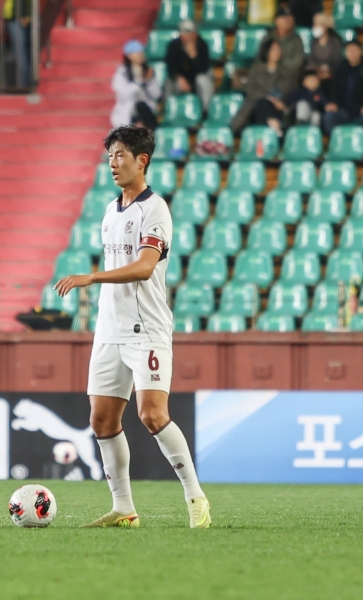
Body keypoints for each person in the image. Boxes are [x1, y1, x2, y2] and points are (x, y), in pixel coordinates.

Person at [54, 126, 211, 529]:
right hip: (109, 329)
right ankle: (123, 507)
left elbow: (144, 267)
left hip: (147, 328)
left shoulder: (155, 209)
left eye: (120, 155)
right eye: (109, 156)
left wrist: (92, 277)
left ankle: (195, 497)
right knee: (101, 420)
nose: (112, 163)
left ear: (142, 161)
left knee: (153, 415)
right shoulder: (111, 211)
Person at [230, 41, 298, 135]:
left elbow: (292, 91)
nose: (277, 52)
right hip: (256, 105)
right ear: (267, 52)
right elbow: (250, 90)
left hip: (278, 108)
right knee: (263, 104)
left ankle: (272, 131)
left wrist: (283, 103)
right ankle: (275, 130)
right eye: (274, 49)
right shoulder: (256, 70)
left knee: (264, 111)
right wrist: (270, 98)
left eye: (278, 49)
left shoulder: (286, 72)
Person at [323, 40, 363, 137]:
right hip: (343, 109)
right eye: (349, 51)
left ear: (361, 51)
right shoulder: (340, 67)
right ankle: (335, 142)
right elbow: (334, 88)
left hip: (361, 109)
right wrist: (333, 102)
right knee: (329, 116)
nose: (352, 53)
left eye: (354, 50)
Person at [110, 40, 161, 131]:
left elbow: (156, 94)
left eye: (141, 52)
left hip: (146, 112)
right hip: (128, 113)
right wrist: (138, 81)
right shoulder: (122, 73)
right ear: (129, 55)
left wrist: (149, 82)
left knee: (141, 106)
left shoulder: (148, 71)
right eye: (137, 53)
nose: (140, 55)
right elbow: (124, 95)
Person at [164, 19, 214, 112]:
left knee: (202, 80)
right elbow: (170, 68)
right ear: (182, 35)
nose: (192, 36)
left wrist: (193, 56)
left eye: (193, 33)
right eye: (188, 34)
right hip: (181, 80)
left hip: (196, 78)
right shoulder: (173, 46)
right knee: (169, 83)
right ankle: (168, 111)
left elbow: (204, 68)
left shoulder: (202, 44)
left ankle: (205, 111)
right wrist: (178, 78)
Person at [257, 6, 305, 76]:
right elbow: (260, 59)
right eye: (285, 19)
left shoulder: (296, 40)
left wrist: (277, 60)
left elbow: (297, 64)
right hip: (267, 75)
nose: (288, 22)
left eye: (290, 19)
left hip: (287, 77)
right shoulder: (268, 37)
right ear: (277, 20)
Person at [306, 13, 343, 90]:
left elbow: (337, 61)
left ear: (325, 27)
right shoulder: (313, 41)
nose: (314, 27)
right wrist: (316, 70)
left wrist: (327, 71)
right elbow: (311, 59)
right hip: (316, 73)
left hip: (331, 75)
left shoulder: (335, 42)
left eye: (316, 25)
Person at [5, 0, 33, 88]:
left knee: (21, 53)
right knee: (22, 53)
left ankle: (24, 84)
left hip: (19, 17)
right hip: (18, 17)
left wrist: (23, 15)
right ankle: (24, 84)